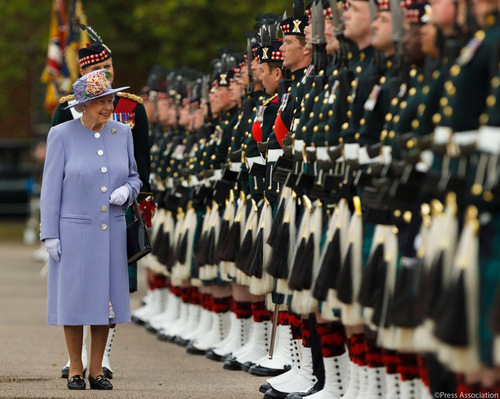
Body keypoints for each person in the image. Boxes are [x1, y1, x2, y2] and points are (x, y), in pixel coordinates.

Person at [52, 30, 151, 380]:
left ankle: (101, 360)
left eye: (109, 67)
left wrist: (132, 194)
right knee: (76, 296)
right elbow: (54, 177)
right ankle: (76, 361)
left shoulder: (131, 112)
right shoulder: (65, 120)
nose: (107, 78)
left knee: (111, 296)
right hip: (75, 222)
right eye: (100, 70)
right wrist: (49, 231)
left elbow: (142, 167)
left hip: (116, 217)